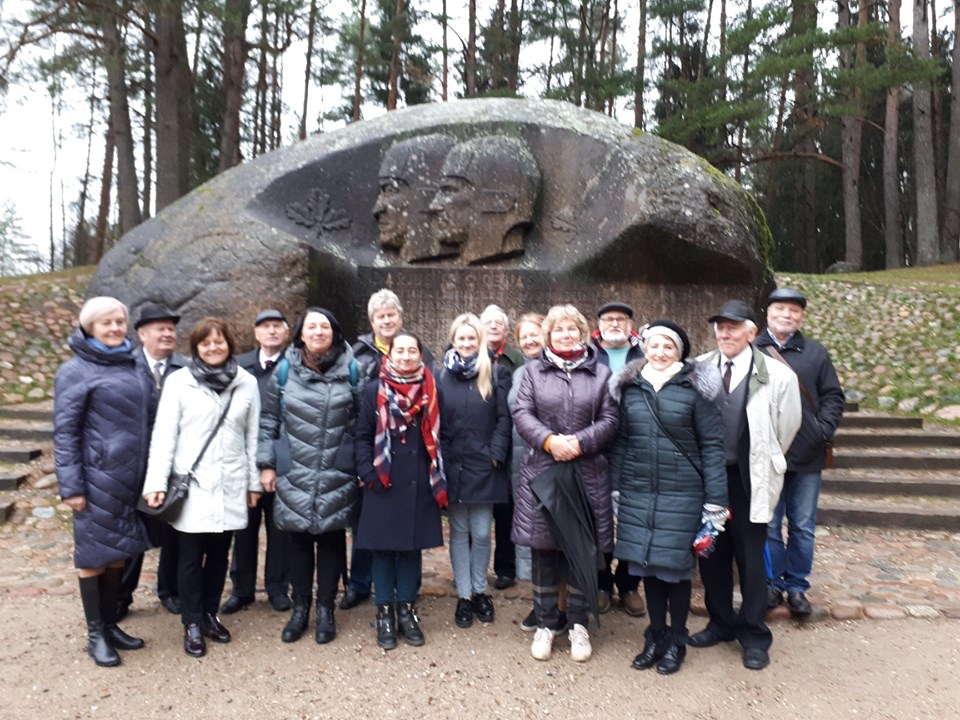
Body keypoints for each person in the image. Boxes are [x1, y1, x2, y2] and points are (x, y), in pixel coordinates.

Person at [608, 321, 727, 674]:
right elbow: (622, 441)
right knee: (647, 567)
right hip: (639, 491)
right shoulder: (631, 388)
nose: (660, 352)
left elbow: (712, 446)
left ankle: (677, 639)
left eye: (668, 347)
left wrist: (715, 501)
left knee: (675, 570)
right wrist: (616, 486)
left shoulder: (694, 389)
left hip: (683, 494)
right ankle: (655, 635)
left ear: (679, 352)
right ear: (644, 348)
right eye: (654, 345)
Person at [689, 300, 801, 671]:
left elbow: (787, 428)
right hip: (708, 479)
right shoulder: (698, 368)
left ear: (751, 332)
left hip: (750, 478)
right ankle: (720, 622)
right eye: (720, 327)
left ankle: (753, 633)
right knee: (712, 554)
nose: (725, 333)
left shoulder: (778, 375)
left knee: (751, 559)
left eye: (733, 327)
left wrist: (763, 459)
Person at [142, 317, 262, 658]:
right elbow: (164, 435)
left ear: (229, 345)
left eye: (218, 342)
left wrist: (253, 484)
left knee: (220, 554)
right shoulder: (179, 382)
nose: (213, 348)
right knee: (191, 556)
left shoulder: (246, 382)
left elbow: (253, 437)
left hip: (231, 481)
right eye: (205, 343)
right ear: (195, 348)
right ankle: (191, 622)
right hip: (192, 484)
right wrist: (156, 483)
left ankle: (210, 614)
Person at [512, 304, 618, 662]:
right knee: (543, 550)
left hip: (587, 472)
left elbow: (610, 418)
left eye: (572, 328)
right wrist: (549, 441)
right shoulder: (533, 371)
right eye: (558, 329)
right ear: (548, 335)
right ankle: (545, 624)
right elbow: (522, 413)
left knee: (581, 550)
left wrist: (579, 442)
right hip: (544, 471)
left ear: (583, 333)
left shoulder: (601, 373)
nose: (566, 334)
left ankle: (578, 624)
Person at [54, 297, 152, 667]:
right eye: (106, 322)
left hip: (131, 480)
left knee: (118, 555)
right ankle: (95, 634)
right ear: (89, 327)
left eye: (119, 321)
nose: (114, 328)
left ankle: (110, 625)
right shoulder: (74, 371)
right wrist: (72, 486)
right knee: (93, 556)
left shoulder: (135, 365)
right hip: (96, 480)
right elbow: (65, 433)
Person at [257, 308, 361, 644]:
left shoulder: (352, 369)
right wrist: (267, 464)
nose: (318, 332)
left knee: (331, 540)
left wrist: (359, 464)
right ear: (301, 334)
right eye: (312, 326)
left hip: (336, 467)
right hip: (295, 466)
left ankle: (326, 609)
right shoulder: (285, 370)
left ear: (335, 332)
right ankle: (300, 608)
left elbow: (362, 422)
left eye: (325, 326)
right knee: (297, 540)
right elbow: (268, 420)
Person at [354, 332, 446, 649]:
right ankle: (384, 612)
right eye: (400, 350)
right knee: (382, 549)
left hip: (419, 480)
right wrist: (367, 471)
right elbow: (362, 435)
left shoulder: (432, 390)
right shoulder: (373, 391)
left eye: (412, 351)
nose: (406, 356)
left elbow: (442, 434)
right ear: (389, 354)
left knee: (410, 548)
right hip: (382, 479)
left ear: (421, 355)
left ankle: (406, 611)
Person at [756, 288, 844, 616]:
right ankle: (772, 583)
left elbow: (833, 395)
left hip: (807, 453)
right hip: (765, 454)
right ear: (768, 312)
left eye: (794, 310)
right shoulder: (752, 349)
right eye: (780, 308)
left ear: (801, 316)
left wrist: (822, 430)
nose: (786, 315)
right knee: (767, 524)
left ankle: (796, 585)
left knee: (802, 525)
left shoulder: (815, 353)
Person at [345, 289, 434, 611]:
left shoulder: (425, 370)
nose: (386, 320)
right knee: (373, 536)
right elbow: (357, 417)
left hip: (413, 469)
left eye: (391, 314)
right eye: (380, 316)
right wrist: (365, 468)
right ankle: (366, 590)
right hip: (377, 462)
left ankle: (407, 599)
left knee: (410, 541)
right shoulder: (358, 357)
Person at [439, 313, 512, 628]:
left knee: (482, 532)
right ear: (453, 340)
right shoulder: (441, 376)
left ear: (480, 340)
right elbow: (437, 421)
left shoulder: (495, 373)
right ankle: (465, 595)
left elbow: (504, 418)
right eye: (462, 338)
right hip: (454, 462)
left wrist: (497, 452)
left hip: (485, 464)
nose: (467, 343)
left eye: (472, 338)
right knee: (459, 532)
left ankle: (481, 589)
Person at [117, 302, 188, 620]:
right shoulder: (124, 367)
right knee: (131, 532)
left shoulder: (186, 369)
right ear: (142, 334)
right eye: (161, 328)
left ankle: (170, 591)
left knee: (174, 530)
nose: (168, 333)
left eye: (171, 329)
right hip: (132, 463)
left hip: (174, 464)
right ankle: (121, 596)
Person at [222, 309, 293, 615]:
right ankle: (242, 589)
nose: (272, 331)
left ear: (287, 332)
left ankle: (278, 588)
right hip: (244, 457)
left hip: (283, 456)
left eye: (277, 326)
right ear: (256, 333)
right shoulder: (238, 366)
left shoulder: (295, 365)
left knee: (280, 529)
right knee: (244, 527)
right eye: (266, 326)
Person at [592, 301, 646, 617]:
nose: (615, 323)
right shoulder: (588, 355)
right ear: (599, 324)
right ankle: (601, 583)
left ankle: (628, 584)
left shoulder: (646, 355)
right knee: (598, 519)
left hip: (637, 448)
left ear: (630, 325)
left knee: (633, 519)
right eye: (609, 319)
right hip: (596, 448)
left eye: (621, 319)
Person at [480, 303, 524, 590]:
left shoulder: (517, 359)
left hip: (511, 442)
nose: (494, 326)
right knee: (479, 514)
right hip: (478, 441)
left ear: (507, 330)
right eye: (489, 322)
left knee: (506, 510)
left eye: (499, 323)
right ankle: (474, 570)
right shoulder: (469, 355)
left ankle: (506, 568)